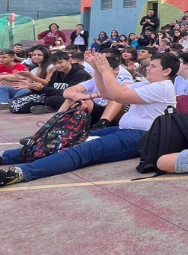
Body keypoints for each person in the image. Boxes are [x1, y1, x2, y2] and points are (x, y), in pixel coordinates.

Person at [0, 51, 177, 186]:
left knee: (85, 150)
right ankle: (6, 157)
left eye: (153, 66)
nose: (148, 68)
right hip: (126, 130)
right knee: (68, 139)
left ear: (167, 70)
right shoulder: (149, 83)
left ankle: (18, 173)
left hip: (141, 136)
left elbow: (120, 95)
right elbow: (109, 94)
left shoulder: (163, 87)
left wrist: (106, 69)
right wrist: (98, 71)